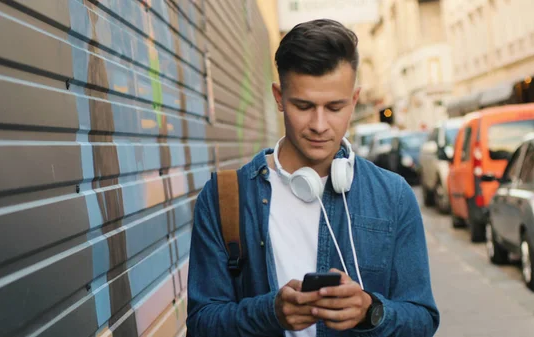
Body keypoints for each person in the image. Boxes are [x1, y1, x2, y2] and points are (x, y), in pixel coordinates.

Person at [186, 19, 439, 337]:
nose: (319, 125)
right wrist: (270, 312)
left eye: (335, 107)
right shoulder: (225, 198)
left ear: (355, 100)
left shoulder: (393, 195)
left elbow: (422, 319)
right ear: (279, 97)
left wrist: (369, 311)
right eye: (303, 106)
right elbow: (201, 323)